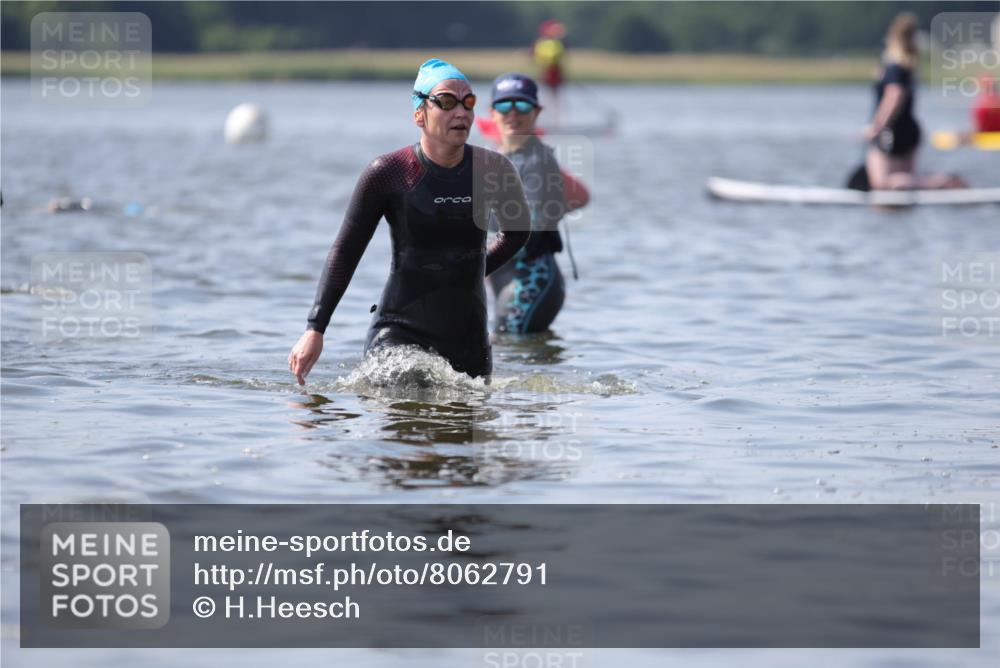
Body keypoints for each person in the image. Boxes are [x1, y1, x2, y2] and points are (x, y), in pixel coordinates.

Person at [288, 58, 531, 384]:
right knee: (403, 407)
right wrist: (315, 329)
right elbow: (347, 250)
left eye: (468, 102)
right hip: (399, 332)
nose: (460, 112)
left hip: (468, 339)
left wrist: (466, 271)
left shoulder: (495, 170)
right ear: (419, 113)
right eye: (446, 102)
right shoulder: (388, 173)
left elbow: (517, 234)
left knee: (465, 428)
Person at [487, 73, 586, 334]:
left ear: (536, 112)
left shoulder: (536, 161)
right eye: (504, 106)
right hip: (507, 279)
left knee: (509, 355)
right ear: (492, 112)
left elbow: (521, 233)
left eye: (522, 105)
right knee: (509, 361)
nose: (513, 114)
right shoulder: (498, 159)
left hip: (531, 282)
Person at [864, 13, 967, 190]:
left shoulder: (894, 67)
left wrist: (877, 125)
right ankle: (940, 182)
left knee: (882, 184)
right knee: (906, 182)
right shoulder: (909, 67)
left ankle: (942, 182)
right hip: (910, 130)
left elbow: (895, 95)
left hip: (891, 131)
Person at [533, 20, 567, 123]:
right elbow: (540, 58)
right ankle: (546, 121)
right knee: (546, 98)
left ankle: (557, 121)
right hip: (547, 73)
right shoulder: (543, 43)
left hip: (555, 73)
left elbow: (560, 58)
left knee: (556, 99)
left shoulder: (557, 43)